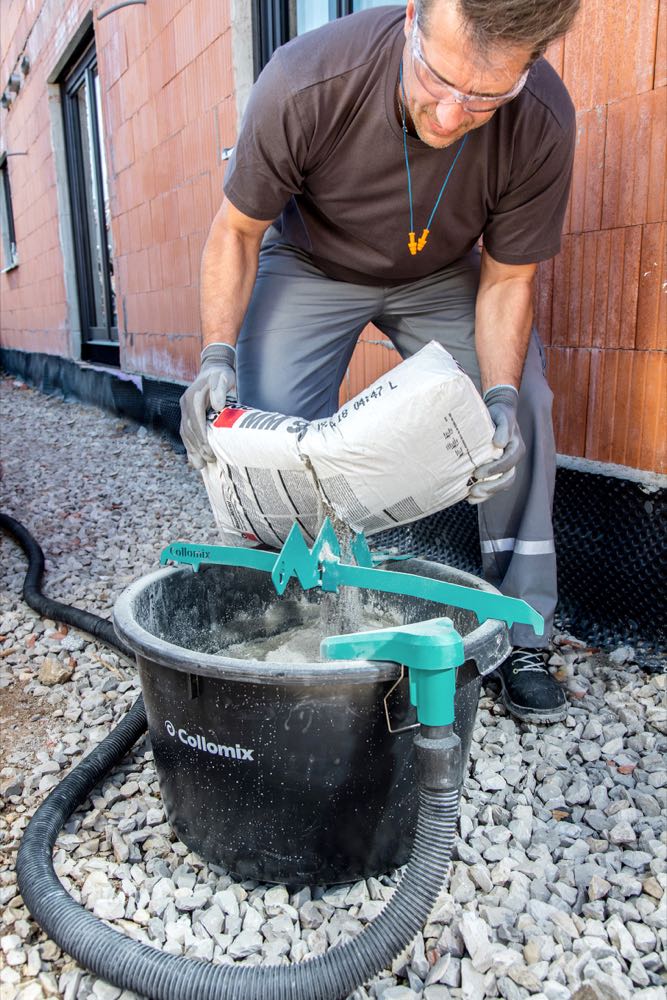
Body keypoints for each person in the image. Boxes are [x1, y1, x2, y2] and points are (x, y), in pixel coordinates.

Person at [180, 0, 580, 724]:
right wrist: (214, 355)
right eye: (438, 81)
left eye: (485, 97)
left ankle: (522, 635)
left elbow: (509, 279)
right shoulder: (307, 81)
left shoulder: (542, 120)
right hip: (311, 260)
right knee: (266, 428)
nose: (452, 115)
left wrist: (493, 393)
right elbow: (236, 231)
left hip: (441, 270)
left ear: (528, 67)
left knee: (520, 407)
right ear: (411, 23)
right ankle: (287, 617)